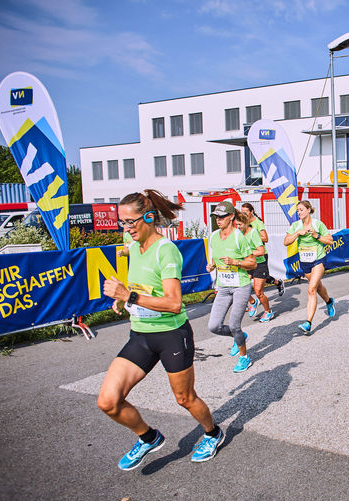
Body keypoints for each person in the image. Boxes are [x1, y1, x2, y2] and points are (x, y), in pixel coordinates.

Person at [99, 189, 224, 470]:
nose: (125, 228)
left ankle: (213, 433)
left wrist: (129, 296)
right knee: (108, 401)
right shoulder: (132, 247)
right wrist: (126, 299)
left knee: (184, 398)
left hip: (171, 335)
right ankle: (149, 437)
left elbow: (174, 302)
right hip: (141, 334)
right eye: (122, 222)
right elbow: (144, 288)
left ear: (149, 217)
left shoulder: (165, 250)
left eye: (130, 222)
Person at [205, 203, 257, 373]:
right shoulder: (213, 236)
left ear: (231, 217)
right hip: (224, 287)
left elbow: (253, 263)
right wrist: (212, 266)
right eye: (216, 217)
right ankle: (239, 337)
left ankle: (244, 357)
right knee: (214, 326)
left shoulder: (238, 237)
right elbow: (215, 260)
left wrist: (236, 262)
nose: (218, 220)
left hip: (241, 286)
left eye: (222, 217)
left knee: (235, 324)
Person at [283, 200, 336, 334]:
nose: (299, 212)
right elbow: (286, 242)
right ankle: (329, 301)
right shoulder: (296, 225)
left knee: (311, 289)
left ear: (308, 210)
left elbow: (330, 241)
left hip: (318, 259)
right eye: (298, 210)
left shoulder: (318, 224)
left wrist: (316, 235)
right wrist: (297, 234)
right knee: (317, 287)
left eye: (301, 209)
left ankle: (308, 323)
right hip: (305, 261)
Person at [234, 211, 275, 323]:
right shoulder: (239, 234)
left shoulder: (253, 233)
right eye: (236, 224)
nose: (238, 227)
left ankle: (268, 311)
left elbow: (261, 251)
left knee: (258, 292)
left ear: (246, 223)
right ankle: (252, 302)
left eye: (240, 225)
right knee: (240, 287)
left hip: (259, 264)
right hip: (248, 264)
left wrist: (247, 254)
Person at [239, 203, 285, 298]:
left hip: (260, 254)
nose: (243, 214)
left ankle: (278, 282)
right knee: (250, 277)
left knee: (261, 275)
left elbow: (265, 238)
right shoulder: (241, 224)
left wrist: (252, 234)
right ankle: (248, 301)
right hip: (248, 255)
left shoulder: (258, 223)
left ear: (251, 212)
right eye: (242, 212)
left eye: (245, 212)